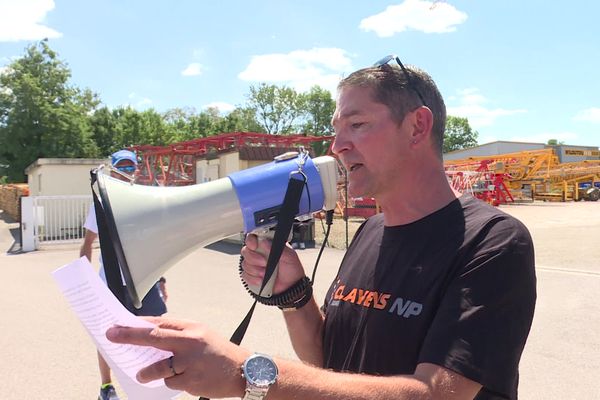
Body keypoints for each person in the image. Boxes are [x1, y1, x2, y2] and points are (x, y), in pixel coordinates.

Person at [105, 56, 536, 400]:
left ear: (417, 126)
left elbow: (437, 395)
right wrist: (295, 297)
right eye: (336, 129)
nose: (338, 145)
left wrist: (245, 374)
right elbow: (330, 360)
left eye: (358, 124)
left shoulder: (492, 242)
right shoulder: (371, 232)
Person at [80, 149, 168, 400]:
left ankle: (151, 386)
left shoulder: (144, 199)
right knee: (110, 336)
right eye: (122, 167)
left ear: (136, 170)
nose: (126, 172)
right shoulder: (101, 202)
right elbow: (87, 244)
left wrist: (161, 279)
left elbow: (155, 246)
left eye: (131, 167)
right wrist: (85, 283)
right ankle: (106, 387)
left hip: (145, 279)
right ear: (112, 169)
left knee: (154, 331)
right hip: (111, 282)